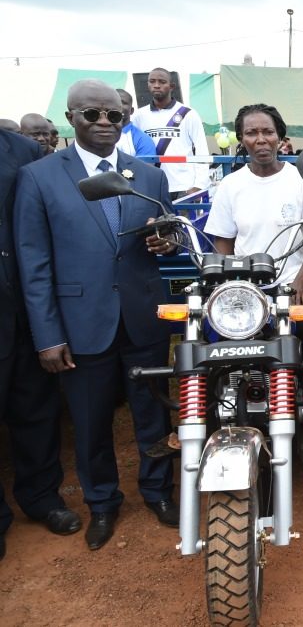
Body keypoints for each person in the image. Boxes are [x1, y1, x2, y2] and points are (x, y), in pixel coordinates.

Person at [14, 80, 179, 550]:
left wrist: (167, 243)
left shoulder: (148, 175)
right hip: (79, 323)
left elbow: (168, 238)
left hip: (142, 317)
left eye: (114, 116)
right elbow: (34, 263)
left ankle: (157, 492)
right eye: (93, 115)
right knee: (89, 423)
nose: (105, 123)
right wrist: (47, 336)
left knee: (152, 415)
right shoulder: (40, 177)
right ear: (71, 117)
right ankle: (102, 504)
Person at [203, 104, 303, 437]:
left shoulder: (300, 178)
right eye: (252, 132)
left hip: (292, 282)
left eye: (267, 132)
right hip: (246, 288)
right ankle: (206, 416)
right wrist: (231, 285)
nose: (261, 139)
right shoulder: (231, 185)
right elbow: (223, 243)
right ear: (241, 138)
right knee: (208, 335)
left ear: (280, 137)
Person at [1, 128, 81, 560]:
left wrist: (46, 324)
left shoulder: (23, 151)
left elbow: (36, 237)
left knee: (34, 409)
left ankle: (41, 498)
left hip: (24, 306)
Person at [132, 67, 211, 198]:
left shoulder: (188, 113)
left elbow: (201, 150)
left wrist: (199, 185)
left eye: (162, 82)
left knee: (182, 220)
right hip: (152, 187)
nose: (156, 85)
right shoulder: (138, 116)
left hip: (183, 187)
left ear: (171, 86)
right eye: (152, 81)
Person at [114, 90, 157, 158]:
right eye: (114, 102)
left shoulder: (143, 140)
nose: (119, 106)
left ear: (131, 111)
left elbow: (145, 168)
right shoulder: (97, 135)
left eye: (123, 102)